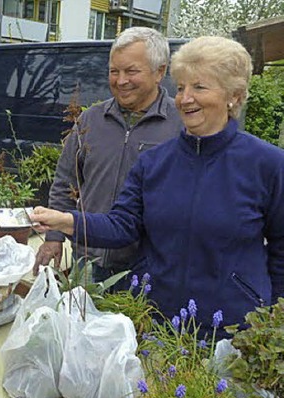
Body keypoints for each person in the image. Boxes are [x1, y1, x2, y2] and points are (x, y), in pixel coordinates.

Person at [31, 36, 284, 337]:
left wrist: (272, 322)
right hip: (156, 321)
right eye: (181, 88)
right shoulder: (154, 162)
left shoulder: (268, 165)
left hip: (233, 328)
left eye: (199, 87)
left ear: (234, 96)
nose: (185, 99)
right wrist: (67, 221)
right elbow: (123, 225)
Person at [33, 27, 182, 284]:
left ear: (160, 71)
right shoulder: (91, 120)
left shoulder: (179, 125)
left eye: (131, 71)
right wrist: (54, 237)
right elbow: (66, 180)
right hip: (87, 260)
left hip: (146, 268)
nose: (121, 80)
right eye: (114, 71)